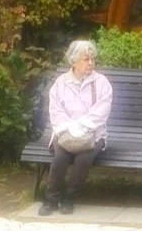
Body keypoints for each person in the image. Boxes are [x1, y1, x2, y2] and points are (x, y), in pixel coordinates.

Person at [39, 39, 112, 217]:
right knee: (60, 158)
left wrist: (82, 127)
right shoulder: (61, 83)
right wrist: (70, 129)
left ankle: (69, 198)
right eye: (86, 59)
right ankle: (51, 199)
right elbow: (55, 111)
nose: (91, 63)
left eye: (92, 59)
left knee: (83, 159)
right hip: (65, 133)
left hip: (92, 134)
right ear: (74, 61)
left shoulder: (101, 82)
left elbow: (102, 111)